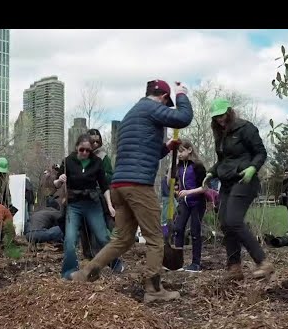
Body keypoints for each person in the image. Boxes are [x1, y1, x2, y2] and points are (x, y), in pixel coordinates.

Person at [70, 79, 192, 304]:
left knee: (122, 239)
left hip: (119, 186)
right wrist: (182, 94)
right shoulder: (153, 108)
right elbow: (183, 118)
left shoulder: (131, 115)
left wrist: (166, 148)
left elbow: (146, 153)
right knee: (155, 238)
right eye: (168, 103)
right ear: (164, 98)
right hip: (138, 186)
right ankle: (154, 289)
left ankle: (85, 274)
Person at [201, 98, 272, 280]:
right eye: (216, 117)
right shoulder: (220, 135)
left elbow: (261, 152)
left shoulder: (246, 128)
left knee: (233, 220)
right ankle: (234, 268)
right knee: (225, 222)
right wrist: (211, 173)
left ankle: (263, 262)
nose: (220, 119)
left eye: (222, 115)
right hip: (227, 183)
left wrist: (253, 168)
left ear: (229, 112)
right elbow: (223, 161)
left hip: (245, 180)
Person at [55, 134, 123, 280]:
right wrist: (60, 180)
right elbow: (56, 184)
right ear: (76, 148)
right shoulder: (68, 162)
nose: (85, 153)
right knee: (70, 239)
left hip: (93, 204)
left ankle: (116, 263)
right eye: (82, 150)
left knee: (102, 236)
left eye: (88, 150)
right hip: (74, 204)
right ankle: (69, 272)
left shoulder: (97, 162)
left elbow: (104, 187)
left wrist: (110, 206)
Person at [173, 140, 208, 272]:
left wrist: (189, 192)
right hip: (185, 203)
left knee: (194, 232)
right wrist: (177, 190)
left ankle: (196, 263)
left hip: (198, 202)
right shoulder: (179, 167)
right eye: (178, 152)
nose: (179, 155)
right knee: (178, 228)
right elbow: (176, 183)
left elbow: (205, 188)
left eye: (181, 151)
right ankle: (177, 262)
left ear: (189, 150)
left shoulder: (198, 166)